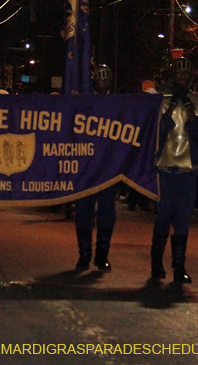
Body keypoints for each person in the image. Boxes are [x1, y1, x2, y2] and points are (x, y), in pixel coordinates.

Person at [151, 58, 198, 283]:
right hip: (165, 169)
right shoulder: (162, 103)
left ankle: (179, 266)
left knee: (183, 219)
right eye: (178, 76)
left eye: (185, 77)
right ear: (172, 78)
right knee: (163, 216)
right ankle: (156, 263)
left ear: (191, 79)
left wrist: (188, 109)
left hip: (188, 169)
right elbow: (159, 132)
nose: (181, 80)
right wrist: (173, 106)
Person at [75, 65, 119, 271]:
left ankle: (102, 253)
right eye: (102, 81)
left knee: (106, 212)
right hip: (87, 168)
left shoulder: (117, 104)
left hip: (108, 167)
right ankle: (84, 253)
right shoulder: (86, 104)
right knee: (83, 211)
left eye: (108, 81)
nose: (105, 84)